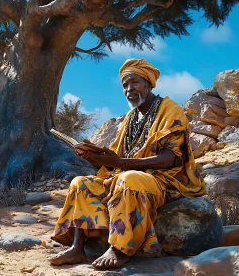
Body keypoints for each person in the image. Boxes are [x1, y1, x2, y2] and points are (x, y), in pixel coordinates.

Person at [49, 58, 205, 269]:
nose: (129, 89)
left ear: (148, 83)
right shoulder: (130, 119)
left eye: (134, 82)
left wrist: (120, 162)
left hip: (163, 180)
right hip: (126, 174)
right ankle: (78, 247)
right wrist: (97, 158)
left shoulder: (170, 110)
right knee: (80, 182)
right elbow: (117, 159)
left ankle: (120, 249)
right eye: (125, 85)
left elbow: (170, 159)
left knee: (128, 179)